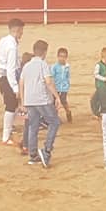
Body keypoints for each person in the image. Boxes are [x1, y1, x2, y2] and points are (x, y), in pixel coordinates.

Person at [21, 39, 64, 168]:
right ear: (44, 52)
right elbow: (48, 82)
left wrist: (23, 101)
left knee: (33, 126)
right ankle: (46, 151)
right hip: (42, 99)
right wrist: (57, 97)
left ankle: (33, 155)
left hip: (29, 100)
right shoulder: (43, 64)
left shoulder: (27, 65)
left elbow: (21, 83)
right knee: (55, 122)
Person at [0, 19, 25, 146]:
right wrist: (15, 88)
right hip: (8, 78)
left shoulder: (3, 40)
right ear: (17, 30)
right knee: (11, 106)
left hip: (1, 75)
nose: (22, 33)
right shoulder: (12, 46)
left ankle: (9, 132)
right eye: (21, 31)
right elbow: (11, 69)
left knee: (12, 106)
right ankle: (6, 137)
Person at [51, 47, 72, 123]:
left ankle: (68, 113)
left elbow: (68, 76)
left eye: (64, 57)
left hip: (63, 88)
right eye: (60, 56)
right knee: (54, 103)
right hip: (55, 88)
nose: (62, 58)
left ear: (66, 57)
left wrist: (67, 85)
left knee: (63, 101)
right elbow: (52, 77)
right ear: (57, 56)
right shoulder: (54, 67)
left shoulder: (67, 66)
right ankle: (55, 118)